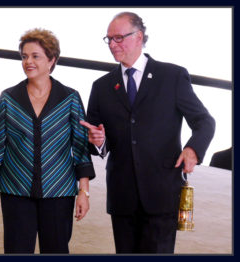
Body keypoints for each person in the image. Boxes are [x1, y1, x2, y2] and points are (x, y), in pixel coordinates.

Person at [80, 12, 215, 253]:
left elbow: (204, 121)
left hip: (162, 191)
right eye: (109, 39)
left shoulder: (172, 76)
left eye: (119, 38)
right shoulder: (101, 87)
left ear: (139, 37)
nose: (112, 44)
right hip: (122, 195)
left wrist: (193, 149)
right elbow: (95, 139)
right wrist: (98, 142)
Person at [0, 28, 95, 254]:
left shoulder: (70, 98)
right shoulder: (8, 98)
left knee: (56, 250)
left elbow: (81, 149)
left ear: (52, 60)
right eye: (24, 56)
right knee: (16, 250)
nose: (28, 62)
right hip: (15, 189)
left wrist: (84, 192)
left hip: (59, 191)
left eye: (35, 56)